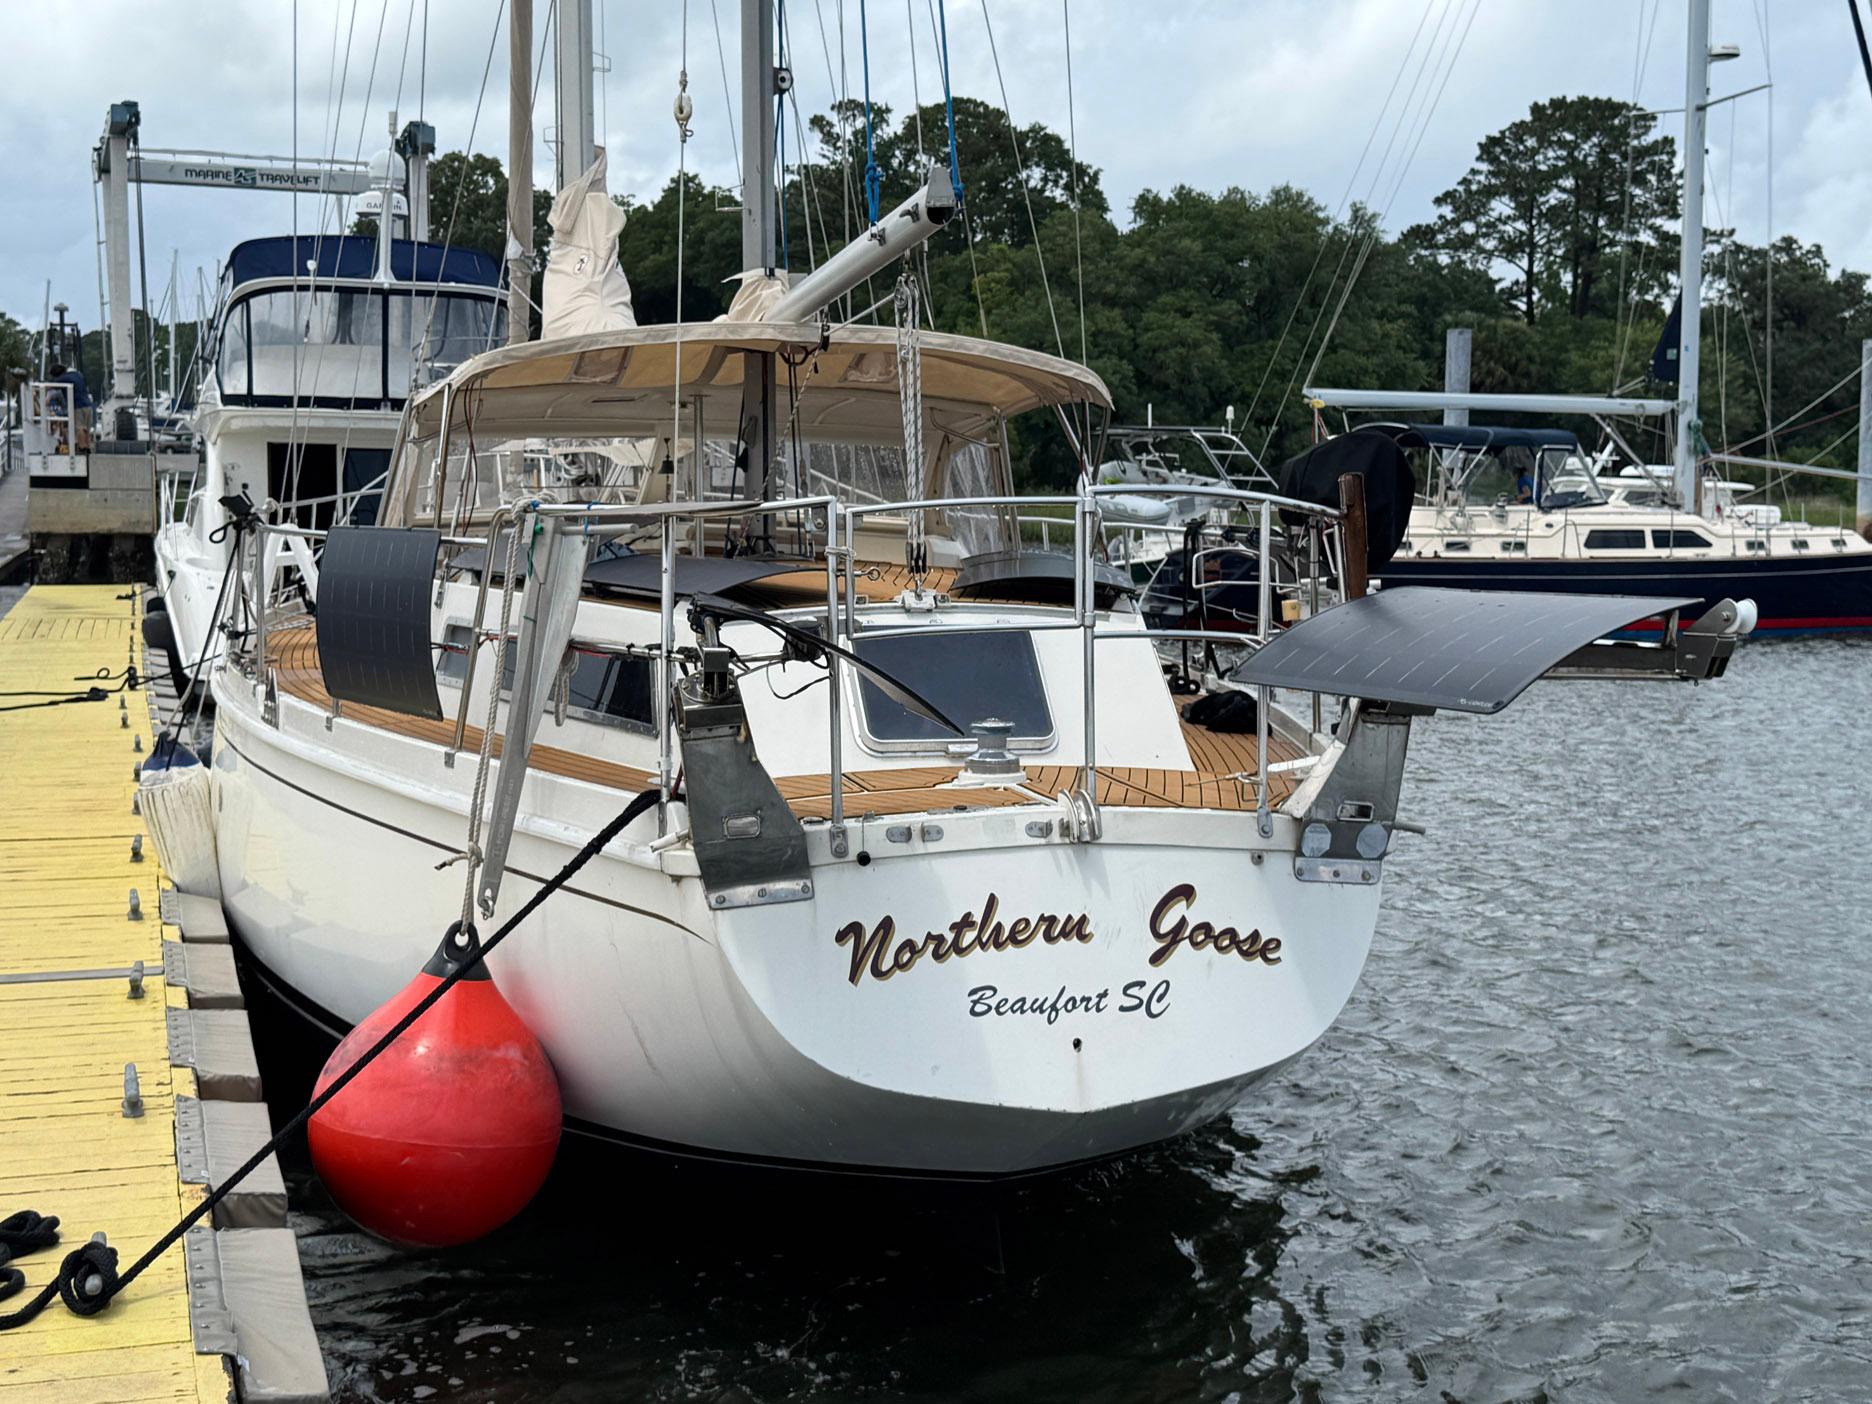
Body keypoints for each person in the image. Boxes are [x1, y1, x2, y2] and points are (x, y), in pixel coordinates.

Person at [47, 361, 93, 450]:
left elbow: (51, 385)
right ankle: (87, 447)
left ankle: (82, 447)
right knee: (86, 428)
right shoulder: (77, 374)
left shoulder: (63, 378)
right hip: (88, 404)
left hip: (78, 406)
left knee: (79, 428)